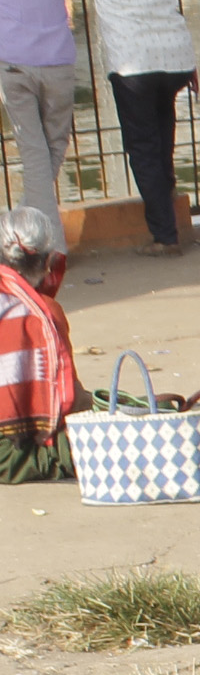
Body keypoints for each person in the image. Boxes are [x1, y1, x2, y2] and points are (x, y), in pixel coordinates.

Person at [68, 0, 199, 256]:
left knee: (143, 147)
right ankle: (170, 220)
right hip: (173, 53)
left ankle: (165, 236)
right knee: (164, 139)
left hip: (132, 59)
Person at [0, 0, 77, 241]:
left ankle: (43, 243)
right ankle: (29, 233)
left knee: (33, 152)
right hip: (58, 58)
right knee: (53, 146)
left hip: (12, 60)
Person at [0, 206, 76, 481]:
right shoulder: (44, 314)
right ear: (49, 262)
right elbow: (68, 400)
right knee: (96, 442)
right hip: (9, 456)